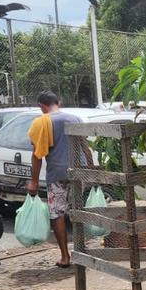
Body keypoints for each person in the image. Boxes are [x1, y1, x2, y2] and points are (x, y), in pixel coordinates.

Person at [27, 91, 90, 268]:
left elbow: (37, 155)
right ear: (58, 103)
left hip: (57, 174)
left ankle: (65, 257)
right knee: (78, 211)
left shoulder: (41, 122)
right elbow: (85, 147)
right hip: (79, 171)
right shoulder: (75, 119)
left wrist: (33, 181)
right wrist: (91, 169)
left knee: (58, 214)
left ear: (41, 105)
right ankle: (81, 251)